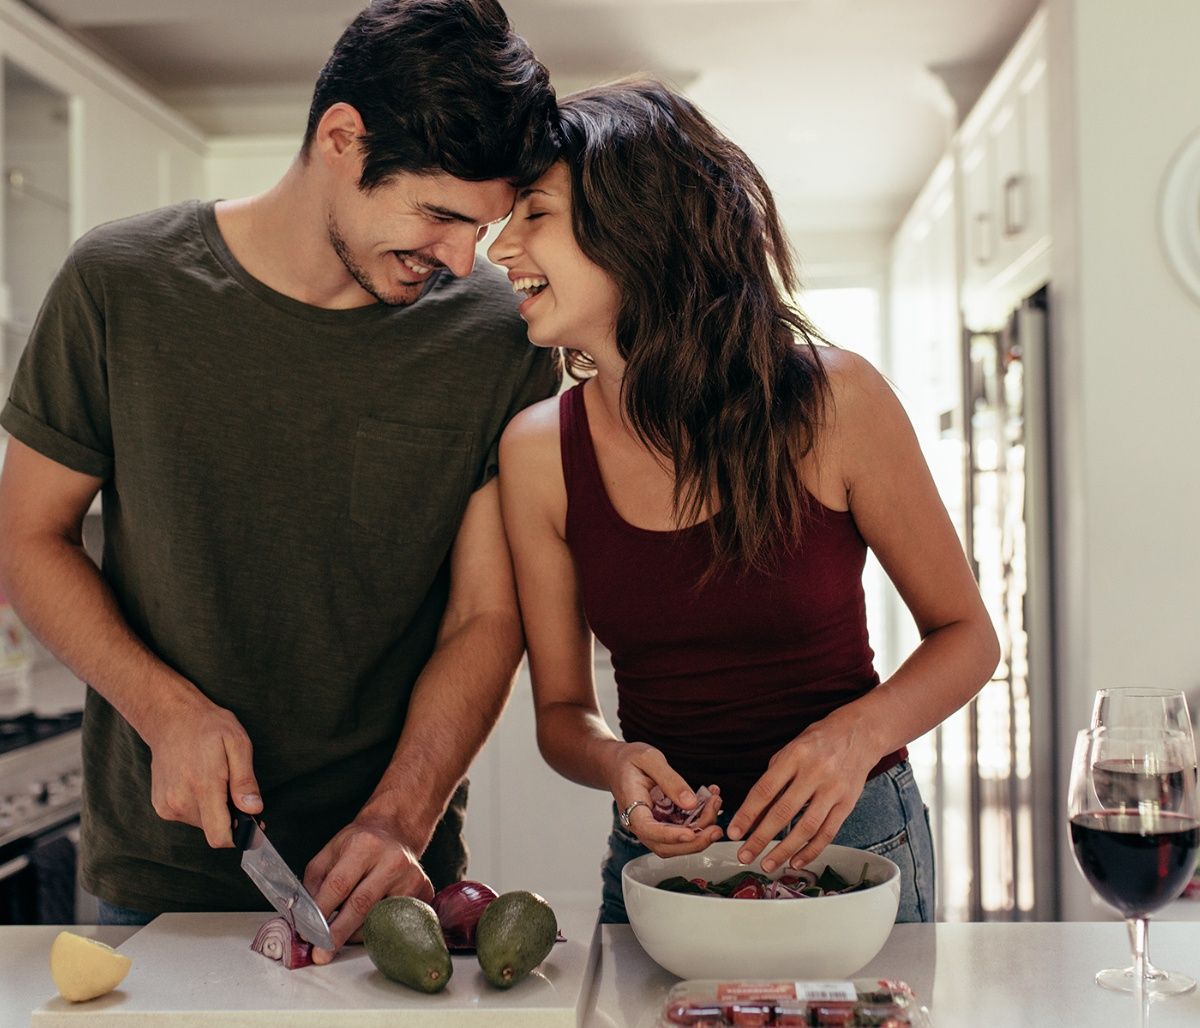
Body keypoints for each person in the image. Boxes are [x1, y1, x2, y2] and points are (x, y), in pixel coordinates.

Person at [0, 0, 559, 960]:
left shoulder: (493, 338)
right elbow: (25, 536)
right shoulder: (119, 284)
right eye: (439, 214)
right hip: (157, 884)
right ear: (343, 137)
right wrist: (163, 710)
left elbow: (484, 616)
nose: (467, 259)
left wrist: (403, 816)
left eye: (485, 224)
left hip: (392, 881)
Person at [488, 80, 1001, 924]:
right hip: (660, 868)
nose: (501, 247)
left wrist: (856, 738)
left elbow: (968, 638)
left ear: (634, 227)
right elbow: (561, 712)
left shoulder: (836, 402)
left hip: (858, 843)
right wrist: (616, 764)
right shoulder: (538, 451)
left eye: (534, 214)